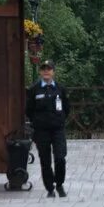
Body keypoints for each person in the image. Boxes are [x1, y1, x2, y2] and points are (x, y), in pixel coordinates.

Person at [25, 60, 70, 197]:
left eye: (49, 69)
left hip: (57, 129)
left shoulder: (60, 89)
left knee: (60, 158)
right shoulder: (34, 89)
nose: (46, 71)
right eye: (44, 69)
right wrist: (37, 122)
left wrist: (60, 120)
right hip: (41, 131)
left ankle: (60, 184)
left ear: (53, 72)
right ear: (40, 72)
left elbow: (67, 108)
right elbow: (29, 110)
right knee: (45, 160)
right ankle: (50, 188)